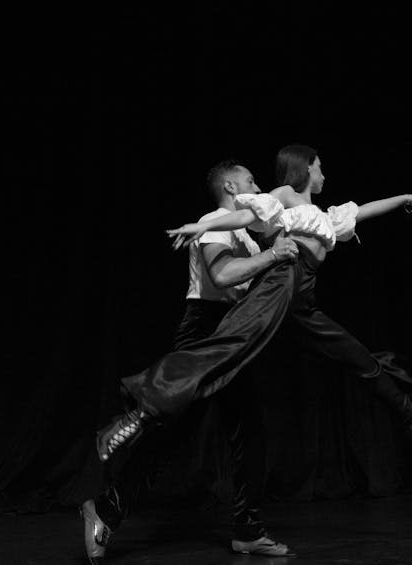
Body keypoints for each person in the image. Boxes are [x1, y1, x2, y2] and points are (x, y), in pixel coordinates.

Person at [98, 145, 412, 467]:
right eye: (320, 168)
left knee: (356, 355)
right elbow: (244, 218)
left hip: (304, 298)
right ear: (306, 168)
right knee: (227, 350)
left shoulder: (325, 216)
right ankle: (139, 413)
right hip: (284, 281)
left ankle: (411, 418)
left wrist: (403, 197)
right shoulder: (284, 196)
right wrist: (199, 224)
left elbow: (362, 211)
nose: (324, 175)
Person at [81, 161, 298, 563]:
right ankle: (105, 507)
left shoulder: (245, 230)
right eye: (251, 180)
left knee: (249, 432)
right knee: (172, 435)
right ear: (231, 186)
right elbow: (223, 275)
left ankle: (248, 530)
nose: (258, 185)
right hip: (205, 329)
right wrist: (272, 257)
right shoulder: (214, 220)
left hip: (232, 331)